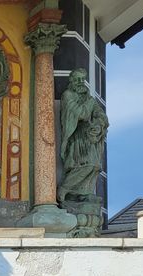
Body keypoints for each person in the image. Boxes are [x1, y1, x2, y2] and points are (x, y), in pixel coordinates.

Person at [58, 69, 109, 204]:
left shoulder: (88, 98)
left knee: (95, 166)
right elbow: (81, 114)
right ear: (72, 80)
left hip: (89, 136)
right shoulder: (68, 95)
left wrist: (99, 122)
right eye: (78, 79)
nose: (81, 82)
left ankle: (83, 193)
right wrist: (90, 103)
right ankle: (64, 189)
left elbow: (100, 114)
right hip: (77, 136)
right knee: (85, 165)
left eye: (83, 79)